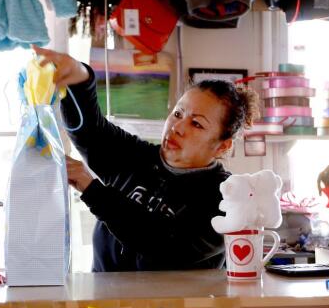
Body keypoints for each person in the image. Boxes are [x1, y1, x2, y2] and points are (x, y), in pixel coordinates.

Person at [32, 46, 259, 272]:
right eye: (178, 114)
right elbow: (89, 130)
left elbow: (168, 247)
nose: (177, 127)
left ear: (222, 146)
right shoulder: (137, 157)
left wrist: (93, 191)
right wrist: (79, 78)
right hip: (104, 304)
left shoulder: (227, 198)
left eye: (196, 123)